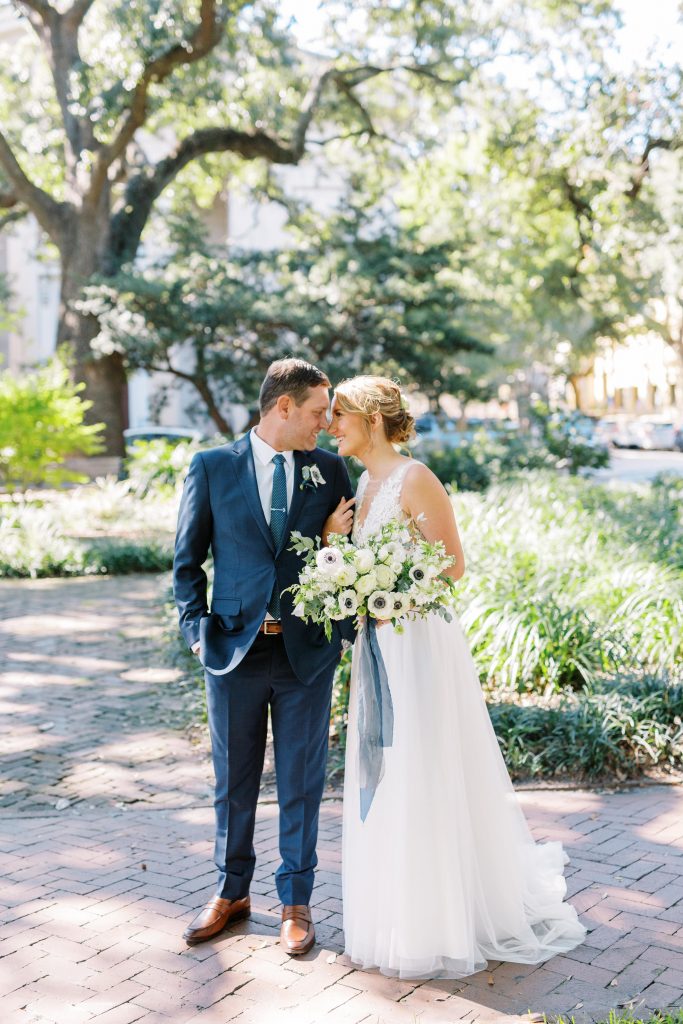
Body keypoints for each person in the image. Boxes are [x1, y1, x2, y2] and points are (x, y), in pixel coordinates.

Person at [328, 375, 586, 979]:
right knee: (385, 774)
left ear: (370, 419)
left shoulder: (415, 479)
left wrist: (384, 587)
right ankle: (397, 915)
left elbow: (452, 568)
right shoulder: (362, 484)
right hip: (377, 647)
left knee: (422, 766)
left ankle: (441, 921)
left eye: (340, 415)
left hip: (417, 643)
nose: (332, 425)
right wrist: (336, 550)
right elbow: (357, 562)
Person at [173, 358, 356, 956]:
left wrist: (334, 556)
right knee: (234, 780)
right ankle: (232, 892)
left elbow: (349, 560)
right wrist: (198, 634)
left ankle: (295, 901)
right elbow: (187, 563)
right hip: (232, 650)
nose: (325, 425)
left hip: (305, 652)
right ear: (283, 406)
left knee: (303, 781)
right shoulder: (211, 467)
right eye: (316, 412)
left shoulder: (329, 472)